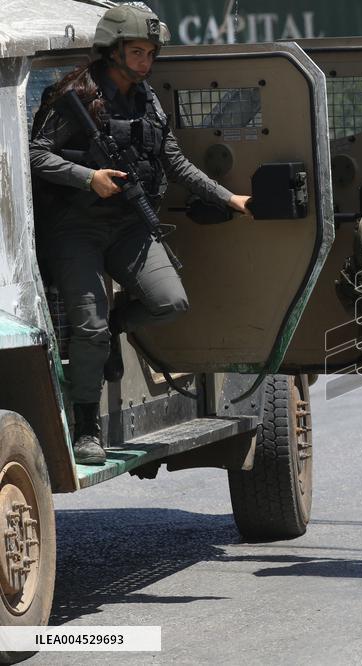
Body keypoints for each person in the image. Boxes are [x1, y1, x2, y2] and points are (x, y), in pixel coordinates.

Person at [29, 4, 251, 466]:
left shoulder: (147, 100)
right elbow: (35, 155)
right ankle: (86, 423)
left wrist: (230, 200)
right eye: (136, 51)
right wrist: (86, 177)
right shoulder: (75, 95)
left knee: (169, 301)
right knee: (86, 330)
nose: (145, 62)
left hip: (129, 225)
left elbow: (176, 163)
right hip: (76, 228)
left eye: (150, 53)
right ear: (113, 50)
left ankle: (115, 328)